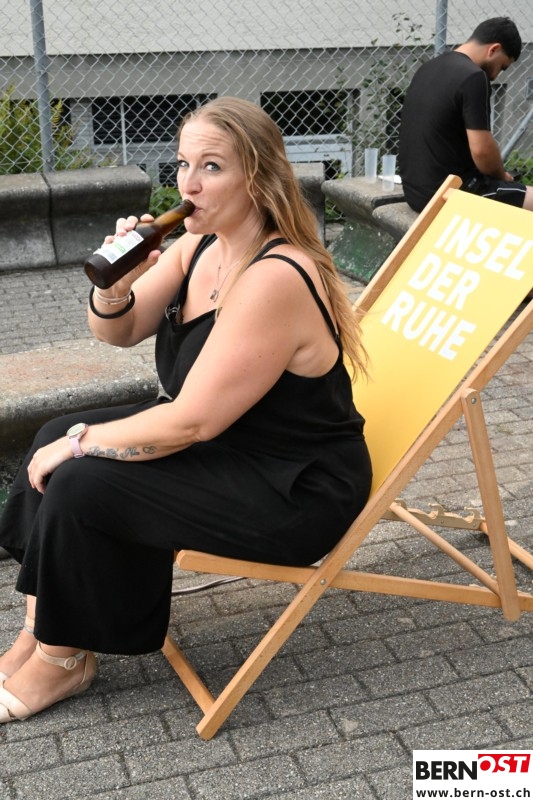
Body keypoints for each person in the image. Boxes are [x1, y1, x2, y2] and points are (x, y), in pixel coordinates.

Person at [0, 96, 372, 723]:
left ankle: (61, 662)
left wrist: (83, 445)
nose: (188, 185)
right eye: (181, 164)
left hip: (291, 486)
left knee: (84, 475)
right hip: (228, 449)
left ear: (258, 178)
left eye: (212, 167)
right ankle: (39, 635)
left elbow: (194, 420)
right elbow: (118, 332)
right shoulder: (195, 247)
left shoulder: (276, 275)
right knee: (55, 431)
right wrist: (114, 288)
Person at [398, 17, 533, 213]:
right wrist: (503, 176)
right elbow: (482, 151)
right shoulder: (474, 77)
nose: (495, 76)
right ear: (494, 49)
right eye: (502, 67)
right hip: (451, 194)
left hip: (416, 194)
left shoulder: (429, 67)